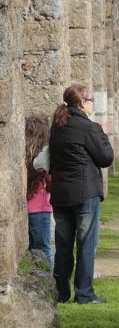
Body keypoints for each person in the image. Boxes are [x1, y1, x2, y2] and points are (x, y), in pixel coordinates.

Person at [50, 84, 115, 304]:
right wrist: (104, 134)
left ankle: (61, 291)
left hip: (61, 193)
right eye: (90, 100)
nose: (91, 104)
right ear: (82, 103)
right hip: (85, 193)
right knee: (86, 244)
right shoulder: (89, 127)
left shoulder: (58, 125)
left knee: (64, 245)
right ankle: (84, 293)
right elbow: (106, 157)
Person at [26, 115, 53, 270]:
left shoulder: (24, 155)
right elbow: (50, 183)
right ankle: (49, 282)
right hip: (40, 209)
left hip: (24, 209)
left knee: (29, 250)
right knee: (43, 249)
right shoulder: (43, 157)